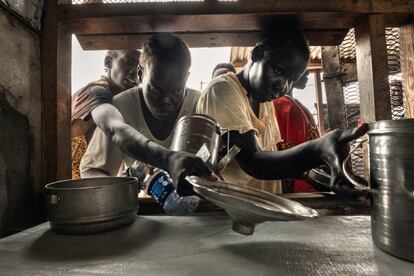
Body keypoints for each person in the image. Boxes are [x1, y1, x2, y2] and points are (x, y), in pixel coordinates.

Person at [196, 25, 367, 198]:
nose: (282, 87)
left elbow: (272, 158)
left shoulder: (263, 98)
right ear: (256, 54)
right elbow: (253, 162)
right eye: (278, 71)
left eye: (291, 80)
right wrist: (317, 149)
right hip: (233, 214)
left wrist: (322, 175)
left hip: (264, 211)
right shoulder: (222, 90)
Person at [80, 33, 211, 195]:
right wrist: (123, 189)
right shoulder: (122, 106)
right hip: (142, 211)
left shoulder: (199, 106)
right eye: (156, 89)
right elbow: (91, 171)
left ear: (187, 78)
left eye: (177, 91)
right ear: (140, 73)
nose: (166, 100)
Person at [71, 50, 141, 179]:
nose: (136, 72)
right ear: (108, 62)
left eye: (141, 67)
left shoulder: (123, 102)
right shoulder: (96, 94)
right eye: (129, 62)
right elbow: (114, 131)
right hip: (74, 187)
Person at [273, 70, 321, 193]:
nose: (307, 74)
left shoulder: (295, 104)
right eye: (302, 70)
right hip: (298, 182)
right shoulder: (282, 105)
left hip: (308, 178)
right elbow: (281, 147)